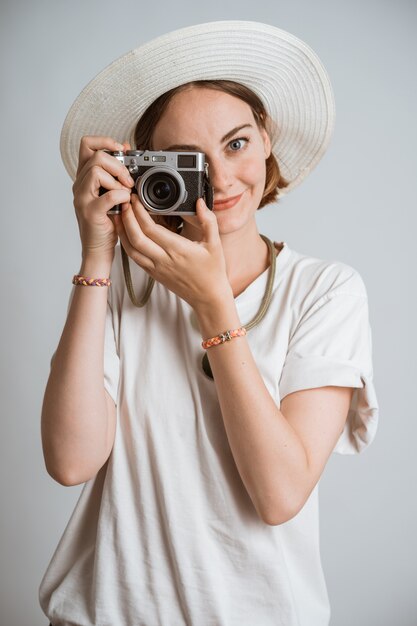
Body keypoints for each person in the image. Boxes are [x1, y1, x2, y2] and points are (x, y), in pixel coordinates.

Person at [39, 20, 379, 626]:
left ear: (268, 138)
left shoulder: (324, 291)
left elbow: (279, 496)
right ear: (146, 169)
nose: (220, 182)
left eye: (237, 143)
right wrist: (96, 255)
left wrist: (214, 305)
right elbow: (70, 461)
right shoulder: (125, 283)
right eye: (187, 161)